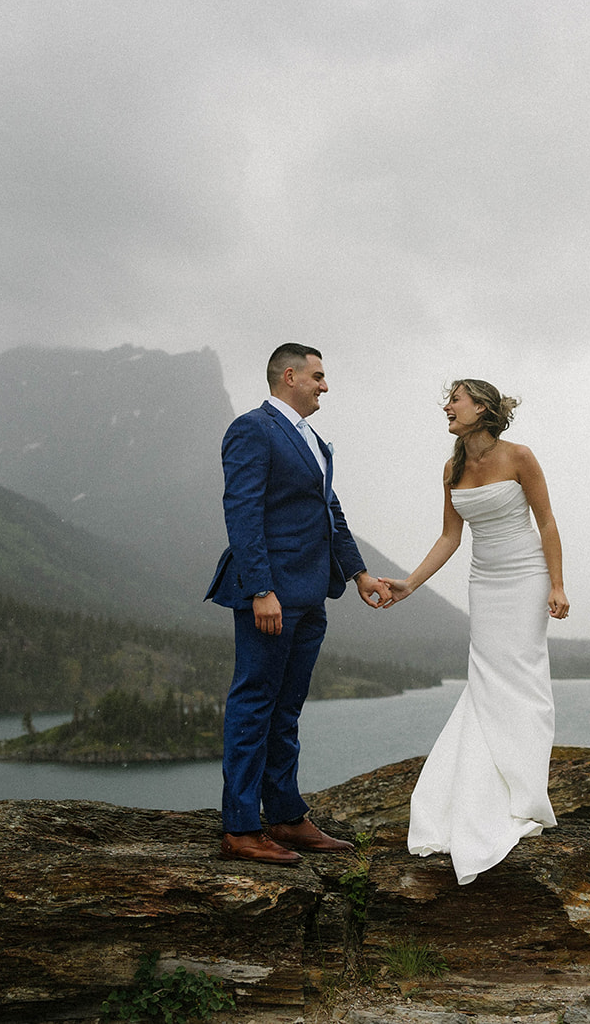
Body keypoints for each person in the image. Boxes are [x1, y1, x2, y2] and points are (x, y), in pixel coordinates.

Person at [206, 343, 393, 864]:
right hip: (271, 596)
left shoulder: (312, 439)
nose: (324, 386)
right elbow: (242, 512)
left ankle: (286, 818)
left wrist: (358, 573)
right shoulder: (252, 429)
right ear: (289, 376)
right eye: (318, 376)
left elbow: (330, 512)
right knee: (254, 703)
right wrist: (261, 589)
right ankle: (241, 828)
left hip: (311, 594)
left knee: (286, 708)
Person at [380, 379, 569, 884]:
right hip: (484, 583)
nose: (446, 406)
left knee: (523, 677)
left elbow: (546, 522)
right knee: (486, 681)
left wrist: (557, 584)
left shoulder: (520, 457)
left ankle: (525, 792)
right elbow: (450, 536)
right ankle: (478, 792)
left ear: (481, 409)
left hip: (527, 576)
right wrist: (409, 585)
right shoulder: (452, 469)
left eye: (455, 400)